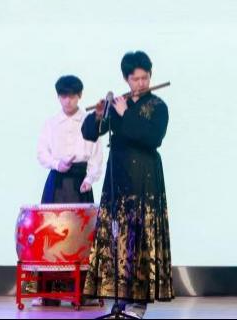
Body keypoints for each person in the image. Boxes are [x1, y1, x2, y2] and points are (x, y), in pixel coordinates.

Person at [81, 51, 173, 319]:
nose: (141, 83)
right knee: (117, 239)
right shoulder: (117, 103)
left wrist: (125, 113)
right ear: (126, 79)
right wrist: (99, 115)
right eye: (135, 79)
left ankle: (138, 303)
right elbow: (90, 133)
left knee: (140, 238)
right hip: (118, 178)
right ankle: (119, 299)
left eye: (145, 78)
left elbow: (153, 138)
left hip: (144, 178)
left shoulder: (158, 106)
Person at [33, 75, 103, 306]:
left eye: (72, 96)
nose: (68, 100)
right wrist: (56, 163)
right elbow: (41, 152)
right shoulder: (51, 123)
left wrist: (90, 178)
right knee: (51, 234)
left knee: (82, 236)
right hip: (58, 179)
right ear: (58, 97)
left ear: (79, 96)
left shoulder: (89, 121)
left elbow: (96, 154)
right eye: (63, 96)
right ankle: (49, 293)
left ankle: (83, 293)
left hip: (80, 181)